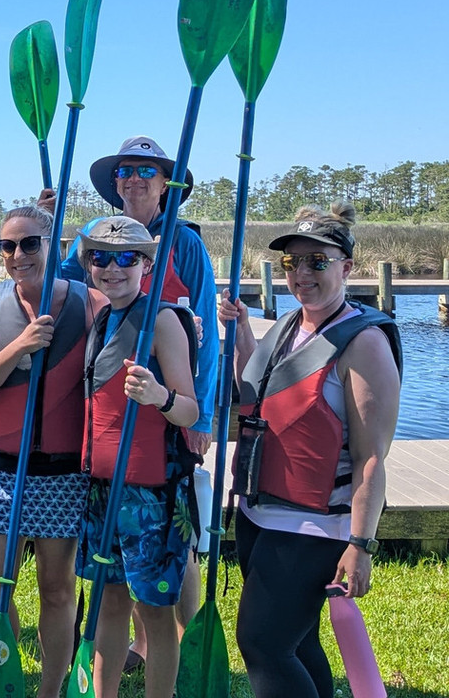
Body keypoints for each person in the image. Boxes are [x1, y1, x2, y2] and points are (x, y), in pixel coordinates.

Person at [218, 202, 402, 698]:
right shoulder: (287, 325)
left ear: (347, 266)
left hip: (315, 525)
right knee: (297, 643)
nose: (302, 274)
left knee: (262, 643)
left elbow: (370, 457)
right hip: (261, 513)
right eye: (291, 263)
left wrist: (360, 545)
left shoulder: (363, 343)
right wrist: (239, 335)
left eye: (317, 262)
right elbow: (262, 397)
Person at [51, 135, 216, 670]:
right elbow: (67, 290)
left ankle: (186, 648)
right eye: (126, 170)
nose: (136, 178)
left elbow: (206, 333)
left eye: (148, 169)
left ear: (166, 182)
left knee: (167, 574)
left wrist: (198, 413)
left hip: (159, 443)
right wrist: (53, 238)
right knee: (112, 597)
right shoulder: (94, 243)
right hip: (103, 468)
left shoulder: (184, 244)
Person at [0, 205, 89, 698]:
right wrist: (21, 347)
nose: (18, 255)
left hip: (61, 473)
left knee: (56, 591)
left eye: (30, 243)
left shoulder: (90, 303)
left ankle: (51, 689)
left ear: (52, 244)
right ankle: (6, 675)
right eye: (7, 246)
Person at [74, 216, 200, 698]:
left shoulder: (163, 320)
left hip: (150, 496)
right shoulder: (101, 318)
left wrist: (158, 397)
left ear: (147, 264)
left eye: (127, 257)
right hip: (101, 491)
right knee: (107, 603)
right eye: (100, 257)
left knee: (154, 610)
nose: (112, 268)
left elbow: (190, 410)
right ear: (88, 265)